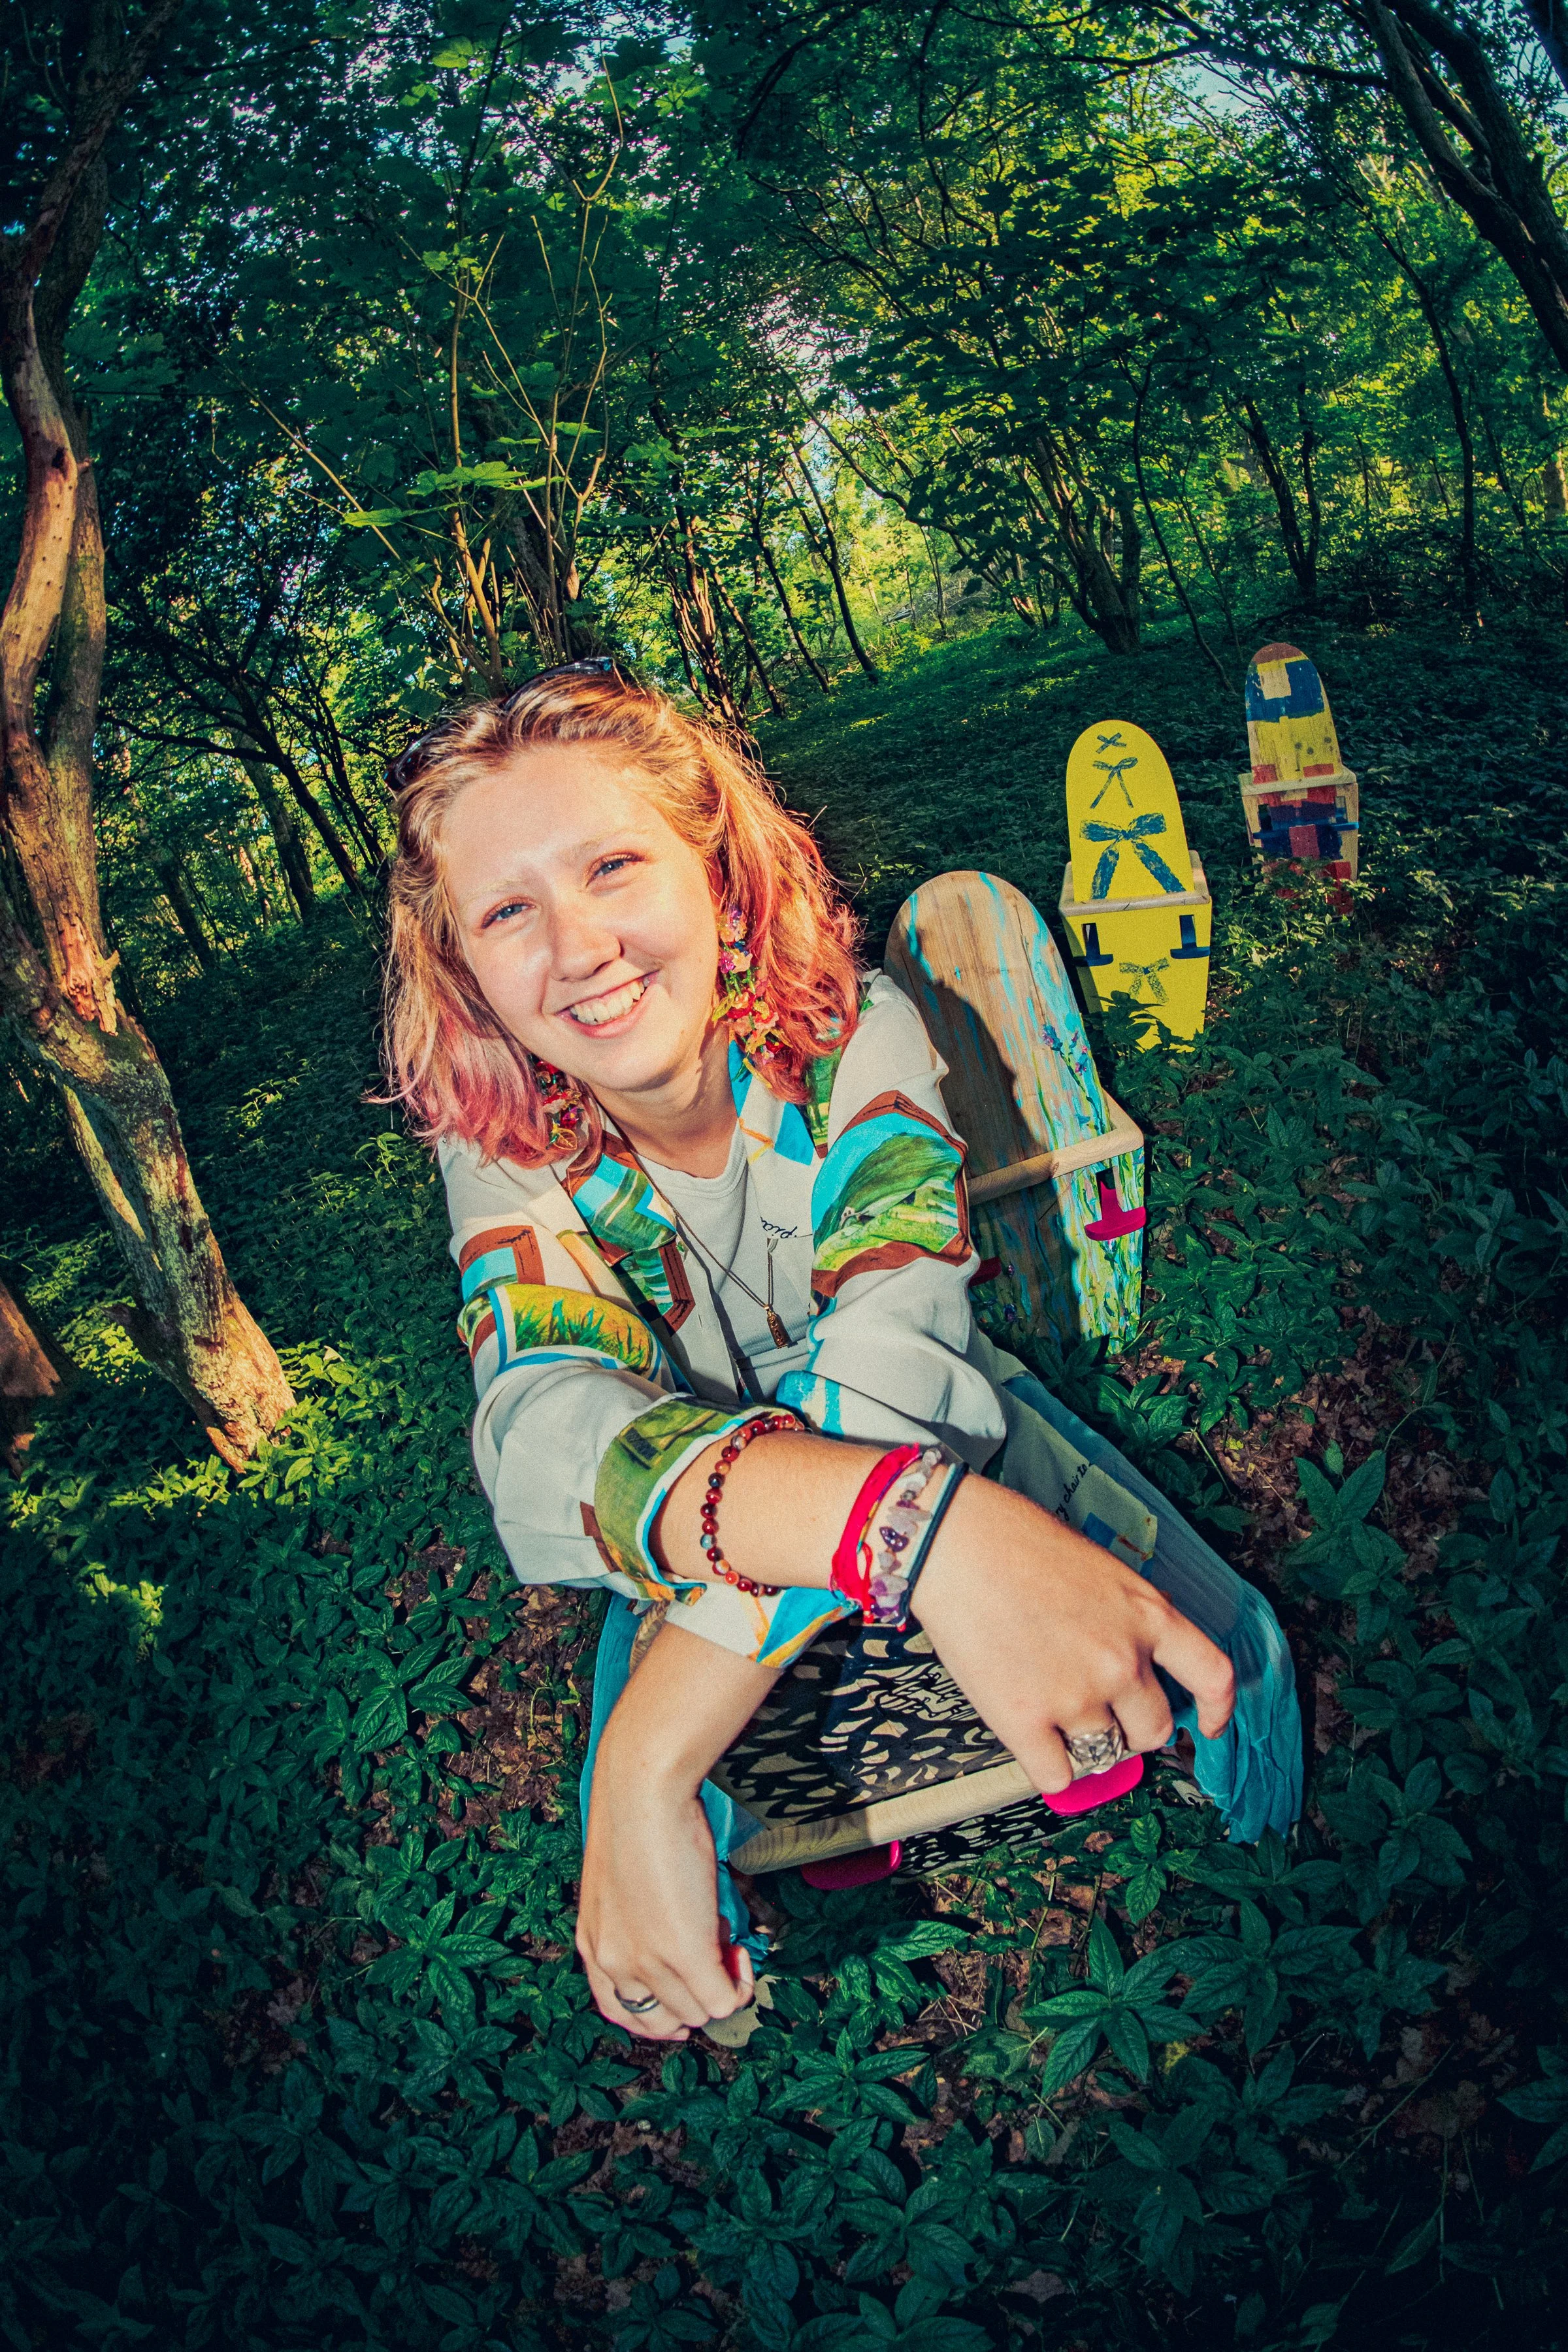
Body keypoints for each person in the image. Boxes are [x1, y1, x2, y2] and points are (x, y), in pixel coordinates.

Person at [383, 662, 1301, 2045]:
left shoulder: (858, 1031)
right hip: (736, 1499)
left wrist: (654, 1743)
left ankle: (1277, 1869)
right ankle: (794, 1884)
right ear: (463, 973)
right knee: (646, 1898)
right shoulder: (499, 1151)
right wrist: (911, 1543)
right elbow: (545, 1427)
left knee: (1238, 1653)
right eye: (509, 911)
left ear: (715, 870)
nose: (577, 950)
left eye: (614, 865)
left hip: (936, 1431)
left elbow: (900, 1357)